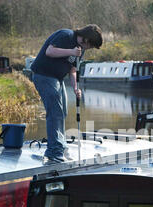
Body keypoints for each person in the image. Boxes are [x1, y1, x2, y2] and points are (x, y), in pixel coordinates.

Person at [31, 24, 103, 163]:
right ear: (86, 39)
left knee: (62, 111)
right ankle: (54, 152)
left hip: (57, 78)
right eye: (91, 46)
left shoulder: (80, 50)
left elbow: (72, 69)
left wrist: (76, 87)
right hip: (43, 75)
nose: (89, 49)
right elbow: (50, 51)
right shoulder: (65, 36)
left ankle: (60, 146)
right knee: (55, 111)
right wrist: (71, 51)